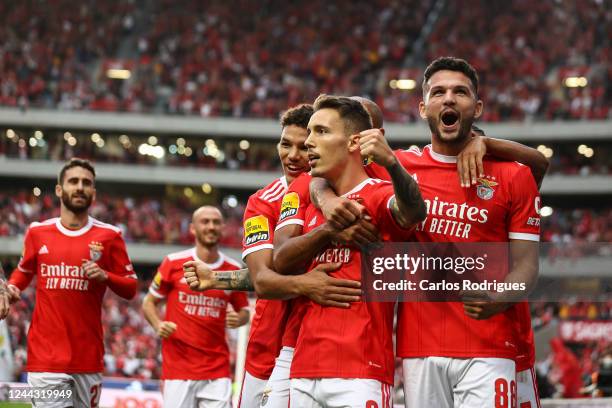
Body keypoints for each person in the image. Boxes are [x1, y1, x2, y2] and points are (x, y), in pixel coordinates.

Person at [355, 57, 542, 407]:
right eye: (438, 92)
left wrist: (499, 297)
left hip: (490, 344)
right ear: (424, 107)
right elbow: (323, 166)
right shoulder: (397, 169)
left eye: (461, 92)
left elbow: (528, 269)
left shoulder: (514, 175)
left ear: (478, 107)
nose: (449, 99)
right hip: (418, 347)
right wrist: (323, 195)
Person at [273, 94, 426, 406]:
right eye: (310, 132)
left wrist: (393, 164)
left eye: (321, 132)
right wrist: (329, 230)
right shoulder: (313, 200)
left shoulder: (378, 195)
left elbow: (413, 211)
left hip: (360, 370)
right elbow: (280, 262)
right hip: (304, 368)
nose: (308, 143)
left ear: (354, 142)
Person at [6, 158, 138, 407]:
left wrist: (106, 276)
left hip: (88, 358)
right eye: (73, 181)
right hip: (46, 360)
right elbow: (23, 271)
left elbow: (131, 288)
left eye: (86, 183)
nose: (80, 187)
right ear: (59, 189)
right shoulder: (37, 232)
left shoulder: (110, 236)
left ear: (94, 193)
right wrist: (13, 287)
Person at [143, 206, 249, 408]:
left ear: (223, 228)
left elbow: (244, 310)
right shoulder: (173, 263)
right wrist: (157, 325)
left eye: (216, 222)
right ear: (192, 229)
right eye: (205, 221)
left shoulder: (233, 270)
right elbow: (148, 302)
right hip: (178, 368)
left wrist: (240, 319)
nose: (211, 226)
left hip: (217, 369)